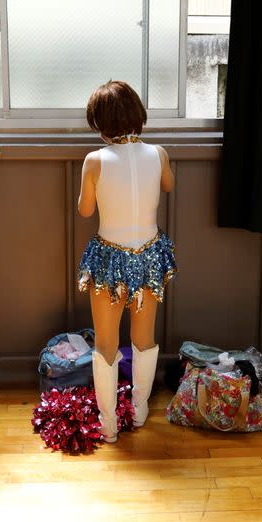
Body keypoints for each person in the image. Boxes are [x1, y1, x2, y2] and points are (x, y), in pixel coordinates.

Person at [77, 81, 177, 443]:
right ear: (138, 115)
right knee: (144, 337)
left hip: (109, 256)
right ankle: (138, 410)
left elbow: (85, 209)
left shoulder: (95, 160)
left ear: (99, 123)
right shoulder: (159, 153)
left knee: (105, 341)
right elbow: (168, 185)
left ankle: (107, 424)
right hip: (149, 254)